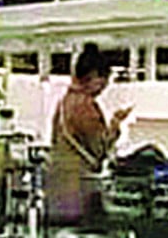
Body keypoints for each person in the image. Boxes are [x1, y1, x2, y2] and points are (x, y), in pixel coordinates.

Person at [46, 43, 133, 226]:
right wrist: (115, 124)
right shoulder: (85, 106)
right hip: (78, 189)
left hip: (57, 187)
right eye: (104, 82)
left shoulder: (65, 101)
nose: (104, 89)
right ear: (94, 76)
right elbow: (99, 149)